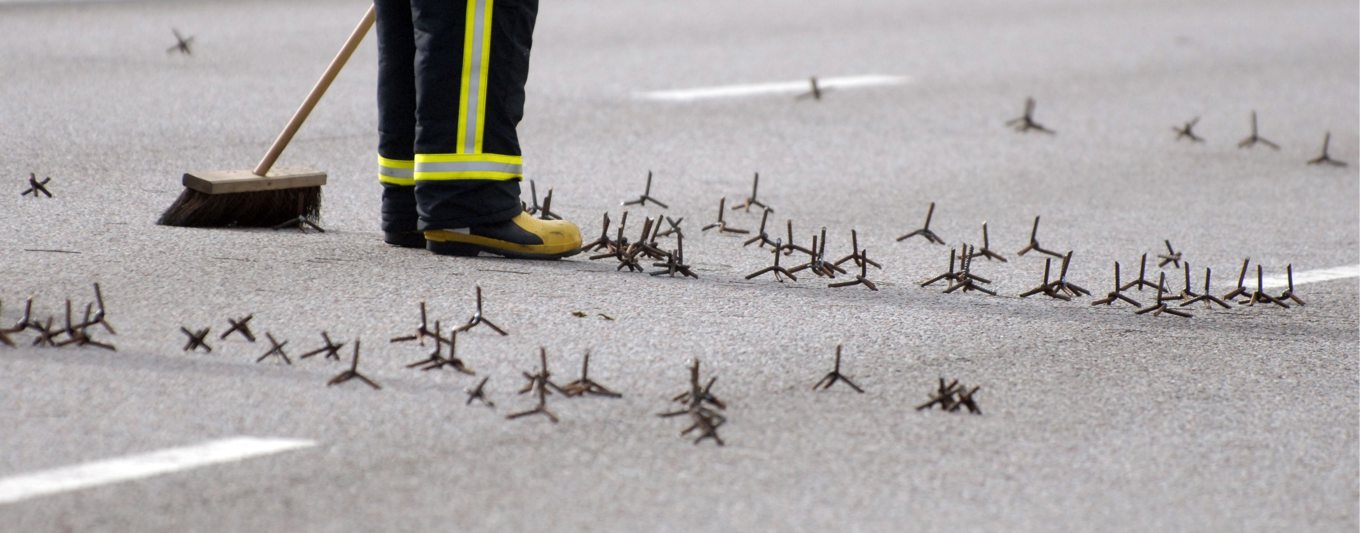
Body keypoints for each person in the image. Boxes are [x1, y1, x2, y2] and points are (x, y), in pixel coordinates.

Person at [374, 0, 581, 259]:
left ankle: (412, 202)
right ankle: (468, 201)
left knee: (421, 14)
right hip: (462, 203)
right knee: (478, 13)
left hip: (422, 204)